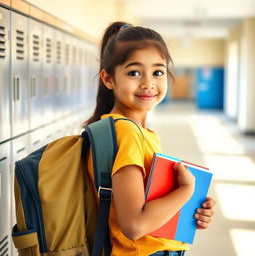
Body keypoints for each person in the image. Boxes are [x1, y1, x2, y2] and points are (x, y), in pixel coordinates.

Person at [84, 21, 216, 256]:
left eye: (158, 72)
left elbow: (142, 208)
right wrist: (185, 191)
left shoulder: (134, 131)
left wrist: (186, 207)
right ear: (108, 79)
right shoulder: (127, 133)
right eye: (134, 72)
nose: (148, 83)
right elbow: (134, 226)